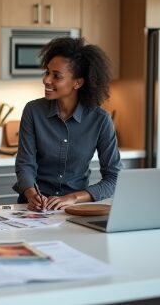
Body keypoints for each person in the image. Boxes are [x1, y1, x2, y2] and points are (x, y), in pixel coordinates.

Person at [13, 37, 122, 211]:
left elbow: (114, 178)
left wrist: (73, 198)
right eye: (47, 72)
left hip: (76, 210)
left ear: (77, 82)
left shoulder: (100, 120)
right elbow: (25, 164)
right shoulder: (33, 111)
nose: (47, 80)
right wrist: (32, 195)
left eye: (57, 76)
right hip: (34, 209)